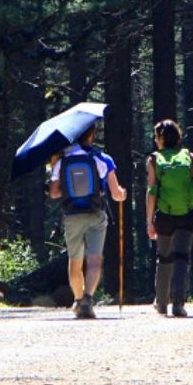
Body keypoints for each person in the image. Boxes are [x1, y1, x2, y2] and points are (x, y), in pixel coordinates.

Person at [47, 123, 126, 319]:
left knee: (75, 261)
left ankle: (77, 299)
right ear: (91, 134)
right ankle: (88, 299)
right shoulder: (102, 158)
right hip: (95, 214)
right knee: (94, 259)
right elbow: (116, 194)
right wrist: (122, 194)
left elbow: (54, 194)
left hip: (72, 216)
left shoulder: (62, 161)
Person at [146, 118, 193, 317]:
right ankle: (178, 303)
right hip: (186, 214)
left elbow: (152, 191)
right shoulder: (190, 157)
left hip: (164, 215)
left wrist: (149, 220)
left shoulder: (154, 159)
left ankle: (161, 303)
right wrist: (189, 206)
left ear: (160, 138)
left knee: (164, 258)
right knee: (182, 258)